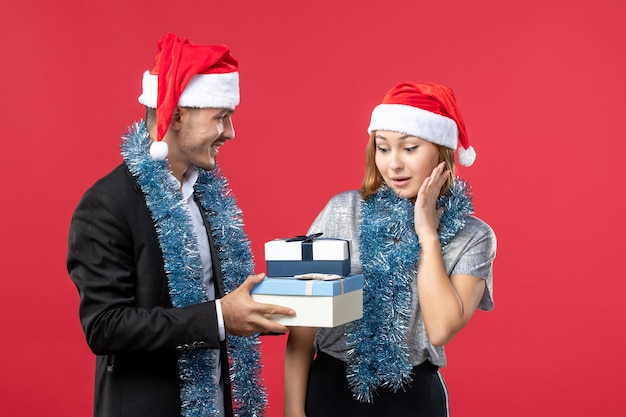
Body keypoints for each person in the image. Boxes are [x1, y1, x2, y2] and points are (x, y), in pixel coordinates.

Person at [66, 32, 295, 417]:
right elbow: (106, 326)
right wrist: (222, 317)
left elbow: (215, 300)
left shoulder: (205, 195)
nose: (230, 133)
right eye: (220, 118)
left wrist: (262, 307)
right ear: (175, 116)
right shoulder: (106, 205)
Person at [284, 82, 497, 417]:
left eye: (409, 148)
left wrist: (426, 233)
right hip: (331, 391)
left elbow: (441, 327)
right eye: (383, 149)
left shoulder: (474, 237)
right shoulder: (341, 210)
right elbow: (302, 330)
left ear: (442, 152)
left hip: (413, 400)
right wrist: (293, 412)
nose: (393, 164)